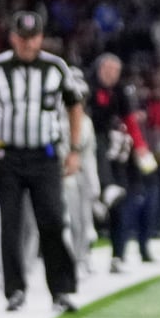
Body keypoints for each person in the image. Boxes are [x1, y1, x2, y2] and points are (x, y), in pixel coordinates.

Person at [0, 10, 86, 313]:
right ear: (13, 37)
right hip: (8, 156)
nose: (28, 44)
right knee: (11, 223)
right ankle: (14, 290)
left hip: (45, 155)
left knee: (53, 221)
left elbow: (75, 107)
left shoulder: (56, 67)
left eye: (33, 38)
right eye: (22, 37)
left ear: (41, 38)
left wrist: (74, 149)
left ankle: (60, 290)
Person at [87, 53, 158, 273]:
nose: (111, 75)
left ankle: (118, 255)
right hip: (88, 149)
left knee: (121, 202)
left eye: (115, 71)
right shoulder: (88, 88)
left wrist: (140, 147)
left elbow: (130, 121)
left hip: (115, 152)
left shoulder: (120, 92)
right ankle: (83, 255)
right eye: (107, 70)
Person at [62, 67, 100, 279]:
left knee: (79, 223)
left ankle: (78, 260)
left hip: (76, 179)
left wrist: (94, 186)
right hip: (55, 176)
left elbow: (89, 156)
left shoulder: (86, 123)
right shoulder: (54, 119)